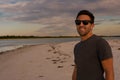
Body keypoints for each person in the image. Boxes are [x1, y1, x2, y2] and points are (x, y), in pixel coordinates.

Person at [72, 10, 114, 80]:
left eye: (85, 22)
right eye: (78, 22)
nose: (81, 25)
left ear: (92, 25)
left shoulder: (100, 43)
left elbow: (109, 71)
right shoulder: (77, 47)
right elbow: (76, 69)